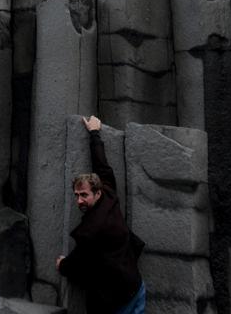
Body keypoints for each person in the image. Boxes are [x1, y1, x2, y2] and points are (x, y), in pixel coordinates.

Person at [56, 115, 146, 314]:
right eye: (77, 195)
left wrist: (62, 265)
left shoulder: (90, 231)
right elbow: (102, 167)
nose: (79, 200)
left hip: (117, 301)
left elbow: (76, 263)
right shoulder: (108, 194)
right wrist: (94, 133)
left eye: (84, 195)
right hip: (135, 286)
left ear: (97, 193)